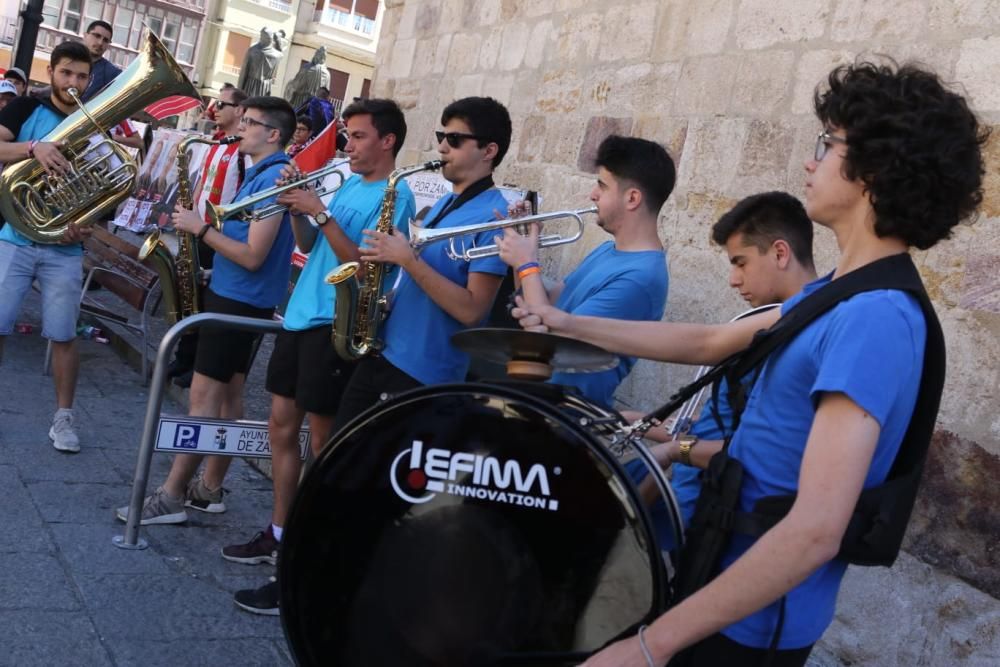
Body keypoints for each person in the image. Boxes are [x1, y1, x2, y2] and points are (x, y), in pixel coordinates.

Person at [515, 60, 986, 666]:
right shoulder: (840, 290)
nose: (811, 163)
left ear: (875, 166)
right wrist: (564, 322)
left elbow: (816, 528)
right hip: (721, 576)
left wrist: (647, 648)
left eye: (827, 144)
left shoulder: (876, 318)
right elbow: (711, 343)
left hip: (753, 627)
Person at [225, 98, 416, 616]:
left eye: (356, 136)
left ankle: (307, 556)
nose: (346, 145)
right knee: (280, 427)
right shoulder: (350, 181)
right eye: (347, 136)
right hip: (300, 313)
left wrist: (321, 210)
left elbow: (364, 262)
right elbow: (313, 243)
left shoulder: (397, 196)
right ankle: (281, 531)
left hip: (336, 325)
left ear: (387, 141)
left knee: (323, 447)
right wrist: (295, 207)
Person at [116, 96, 299, 525]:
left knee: (204, 401)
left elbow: (254, 255)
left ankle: (171, 496)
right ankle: (210, 488)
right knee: (227, 397)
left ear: (273, 135)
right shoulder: (262, 174)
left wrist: (201, 230)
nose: (241, 126)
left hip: (240, 299)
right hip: (236, 295)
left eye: (251, 122)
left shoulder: (274, 180)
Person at [622, 191, 817, 533]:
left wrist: (674, 451)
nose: (733, 279)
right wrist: (636, 422)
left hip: (717, 519)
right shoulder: (770, 323)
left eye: (741, 263)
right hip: (694, 503)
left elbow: (761, 451)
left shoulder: (795, 336)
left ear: (780, 253)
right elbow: (727, 422)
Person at [323, 96, 512, 428]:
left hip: (422, 374)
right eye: (441, 137)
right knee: (341, 462)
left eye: (454, 140)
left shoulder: (494, 219)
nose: (442, 148)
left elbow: (472, 312)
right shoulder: (444, 203)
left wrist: (407, 260)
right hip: (385, 352)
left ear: (489, 150)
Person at [495, 135, 673, 409]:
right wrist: (525, 256)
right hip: (538, 398)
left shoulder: (641, 278)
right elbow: (546, 307)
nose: (593, 194)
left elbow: (552, 341)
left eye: (602, 185)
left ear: (632, 198)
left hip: (568, 414)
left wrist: (527, 262)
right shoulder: (606, 250)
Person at [0, 41, 94, 453]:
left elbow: (104, 188)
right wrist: (34, 148)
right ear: (52, 72)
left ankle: (64, 419)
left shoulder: (94, 123)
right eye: (67, 73)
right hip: (14, 236)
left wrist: (86, 224)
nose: (73, 82)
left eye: (82, 76)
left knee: (63, 335)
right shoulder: (25, 109)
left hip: (63, 248)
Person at [167, 86, 250, 388]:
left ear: (240, 111)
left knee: (209, 298)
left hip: (218, 234)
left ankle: (199, 365)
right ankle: (184, 356)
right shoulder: (211, 142)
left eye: (222, 104)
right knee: (190, 296)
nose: (214, 108)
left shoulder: (244, 151)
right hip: (196, 229)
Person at [79, 20, 143, 150]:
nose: (100, 43)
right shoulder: (69, 58)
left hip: (85, 135)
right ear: (85, 35)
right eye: (96, 36)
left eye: (105, 40)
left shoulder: (113, 73)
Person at [237, 28, 284, 98]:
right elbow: (280, 51)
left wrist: (239, 91)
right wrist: (277, 39)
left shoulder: (252, 51)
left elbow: (243, 73)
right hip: (265, 87)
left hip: (250, 86)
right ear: (271, 40)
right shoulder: (277, 55)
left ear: (262, 37)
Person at [284, 46, 330, 111]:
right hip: (315, 106)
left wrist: (290, 84)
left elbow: (296, 86)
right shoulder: (327, 74)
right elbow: (326, 94)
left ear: (315, 55)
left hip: (301, 102)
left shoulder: (307, 68)